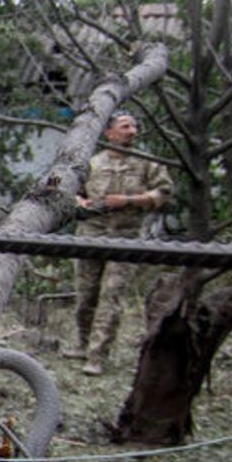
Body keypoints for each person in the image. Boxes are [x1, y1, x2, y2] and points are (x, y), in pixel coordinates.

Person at [63, 111, 172, 376]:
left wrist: (131, 200)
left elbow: (164, 192)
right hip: (91, 235)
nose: (132, 131)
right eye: (125, 126)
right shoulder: (93, 163)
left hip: (125, 237)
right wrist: (80, 202)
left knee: (111, 296)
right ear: (109, 132)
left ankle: (97, 355)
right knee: (86, 294)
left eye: (134, 126)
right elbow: (72, 190)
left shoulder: (147, 163)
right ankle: (81, 343)